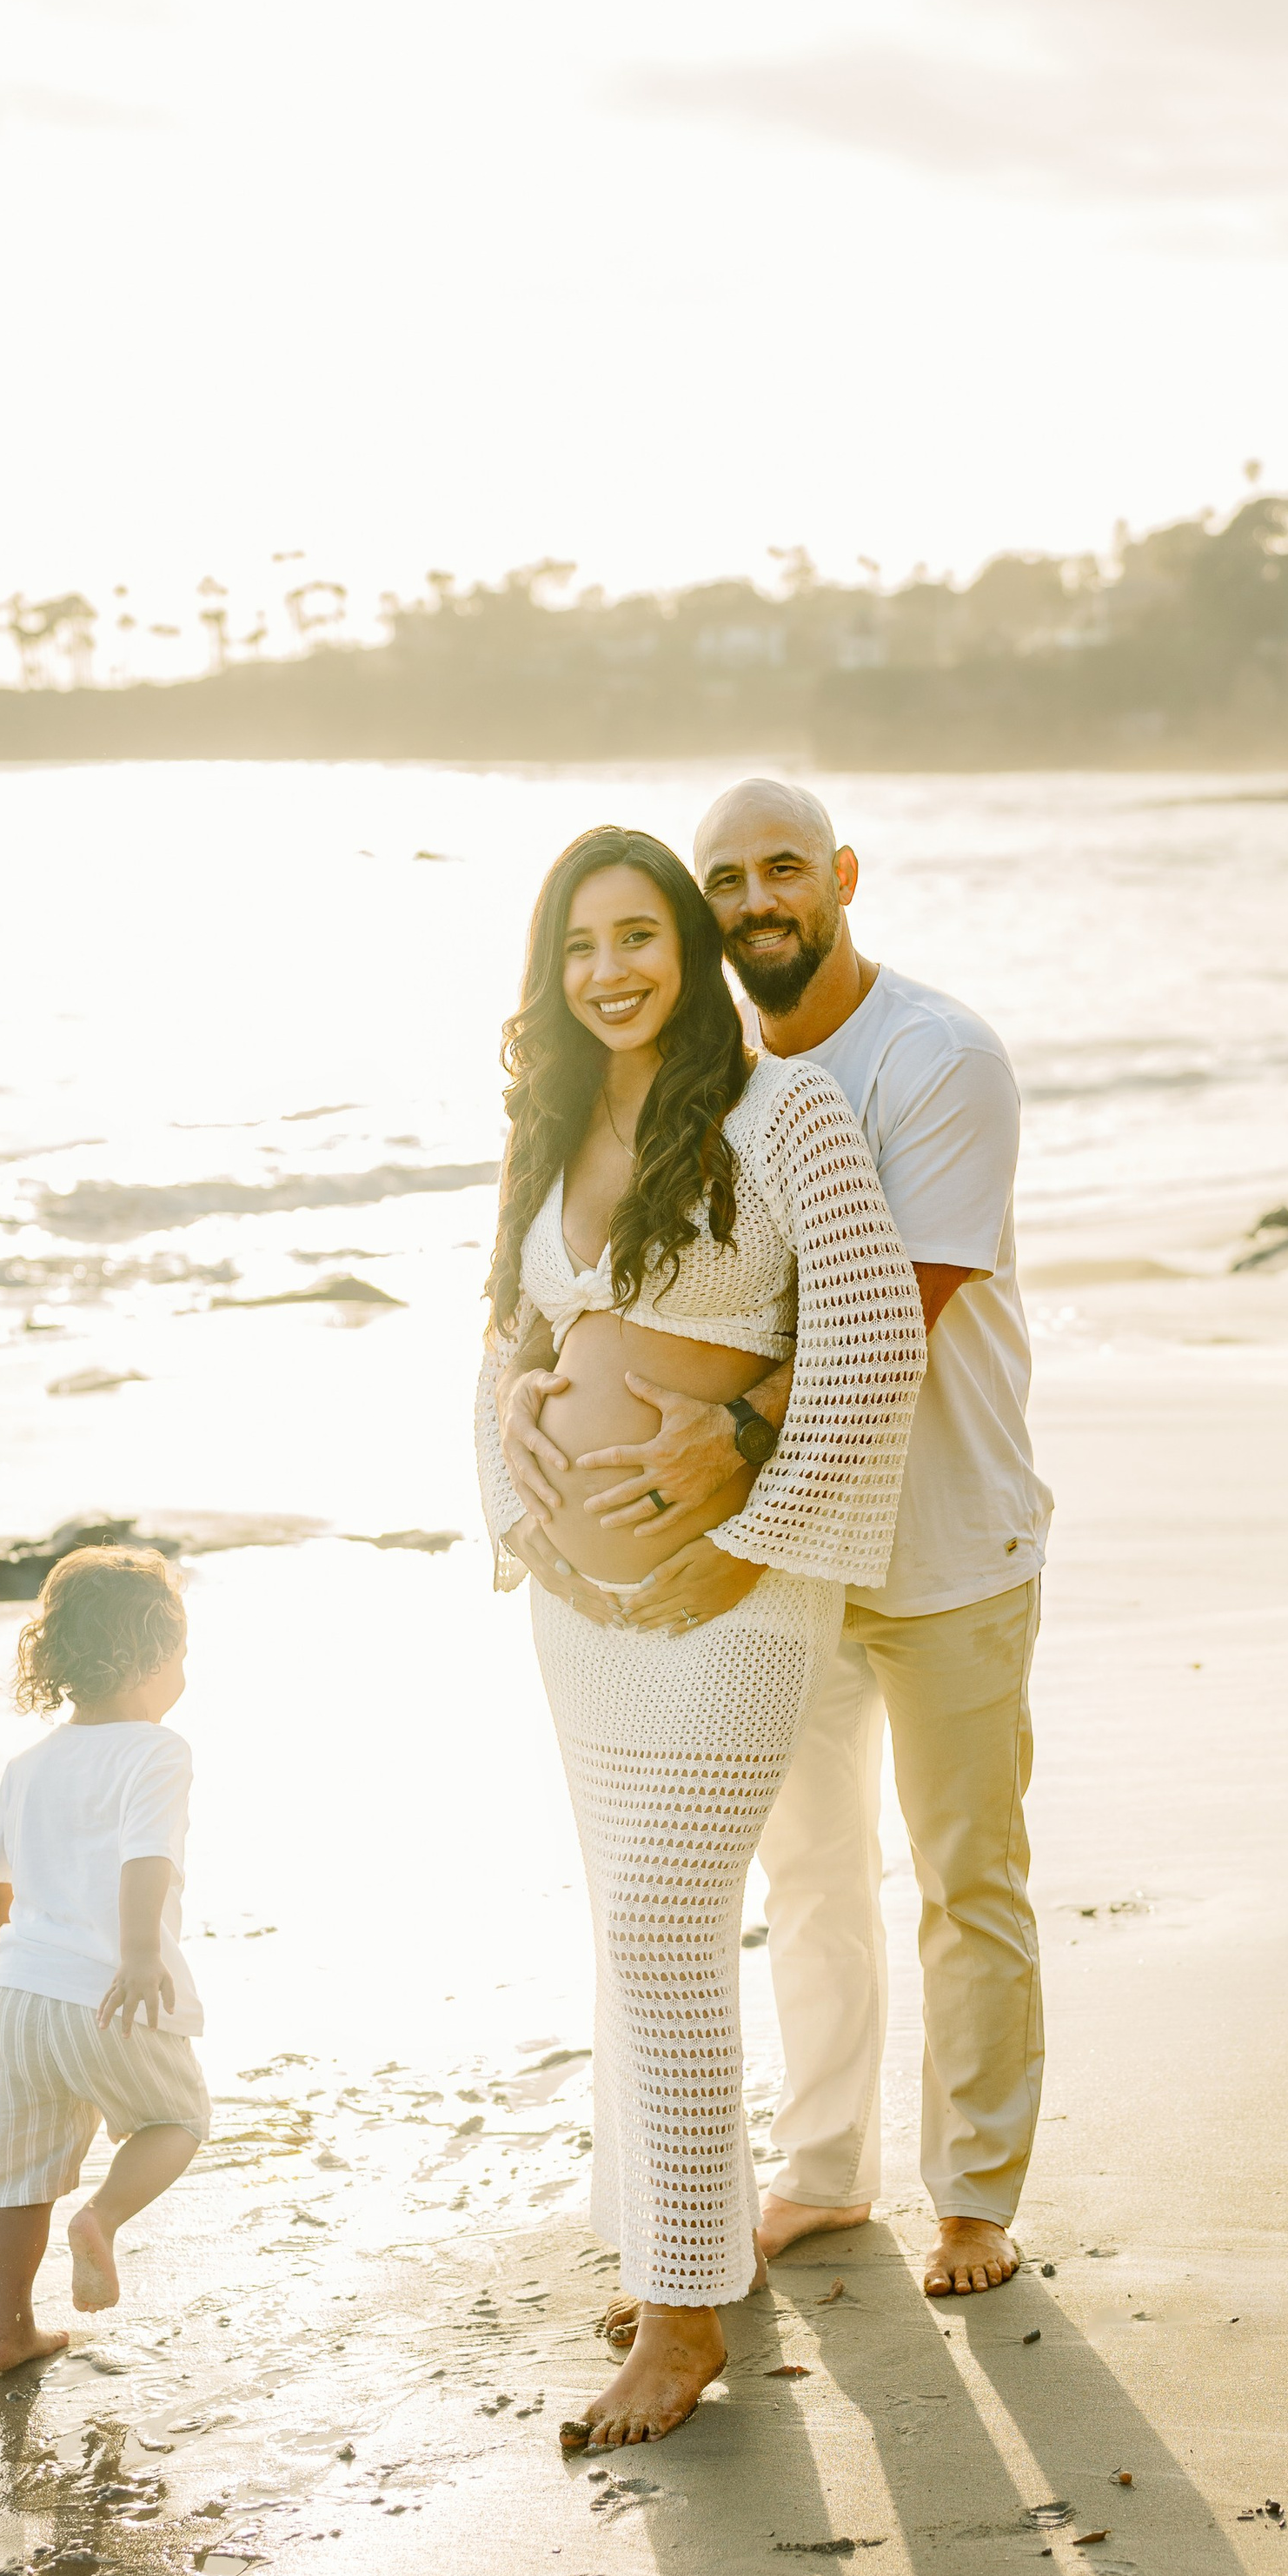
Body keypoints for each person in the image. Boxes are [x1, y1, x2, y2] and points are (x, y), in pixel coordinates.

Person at [501, 780, 1050, 2301]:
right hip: (782, 1557)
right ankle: (822, 2170)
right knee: (809, 1873)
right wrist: (547, 1402)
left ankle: (975, 2193)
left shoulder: (931, 1060)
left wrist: (731, 1447)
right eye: (728, 877)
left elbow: (888, 1318)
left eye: (784, 868)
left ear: (843, 876)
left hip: (940, 1534)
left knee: (965, 1872)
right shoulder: (710, 1080)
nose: (757, 900)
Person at [477, 825, 926, 2449]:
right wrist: (519, 1503)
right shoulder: (550, 1121)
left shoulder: (781, 1111)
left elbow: (875, 1346)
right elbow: (507, 1340)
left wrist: (741, 1532)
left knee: (669, 1918)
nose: (611, 971)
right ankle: (670, 2243)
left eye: (638, 936)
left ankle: (687, 2319)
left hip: (736, 1594)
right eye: (579, 945)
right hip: (577, 1613)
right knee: (630, 1926)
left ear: (687, 944)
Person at [0, 1545, 212, 2372]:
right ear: (150, 1657)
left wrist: (13, 1955)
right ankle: (101, 2219)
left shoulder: (28, 1764)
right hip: (106, 1991)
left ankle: (7, 2330)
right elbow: (148, 1856)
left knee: (18, 2178)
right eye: (181, 1653)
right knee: (176, 2120)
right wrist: (139, 1954)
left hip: (15, 1998)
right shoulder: (157, 1750)